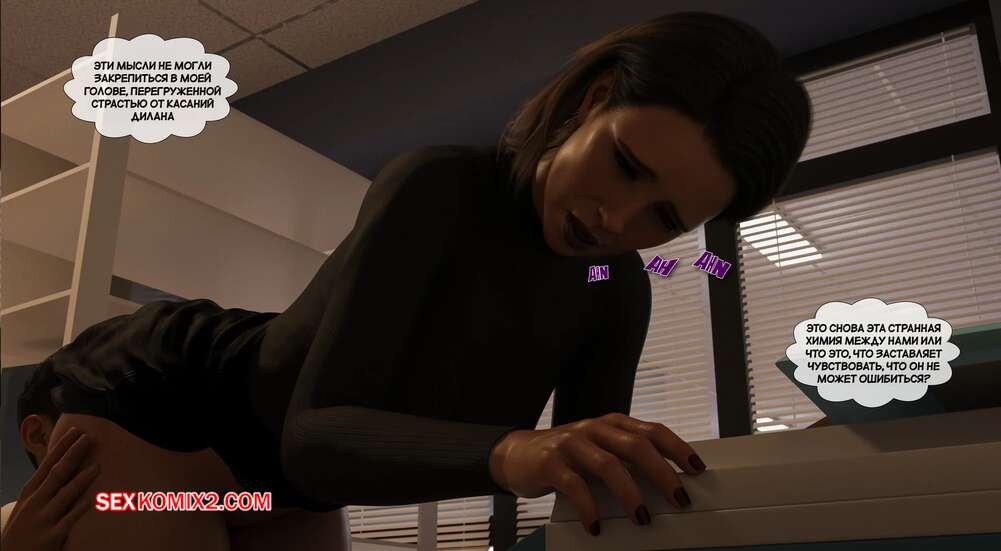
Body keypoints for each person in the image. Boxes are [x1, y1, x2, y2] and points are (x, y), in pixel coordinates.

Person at [14, 11, 812, 547]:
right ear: (592, 102)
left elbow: (587, 484)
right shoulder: (441, 188)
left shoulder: (613, 286)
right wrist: (513, 450)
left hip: (277, 491)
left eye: (662, 218)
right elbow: (314, 436)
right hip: (164, 403)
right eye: (625, 164)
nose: (615, 219)